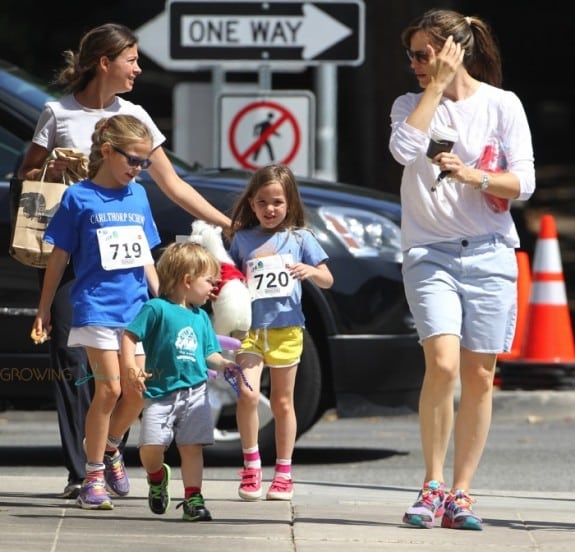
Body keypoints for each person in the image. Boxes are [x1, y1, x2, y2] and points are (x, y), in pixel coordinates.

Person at [17, 22, 231, 499]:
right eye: (131, 60)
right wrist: (51, 167)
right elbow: (26, 174)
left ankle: (110, 449)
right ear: (104, 62)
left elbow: (174, 186)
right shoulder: (57, 113)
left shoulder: (134, 118)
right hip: (72, 252)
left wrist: (227, 224)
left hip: (126, 262)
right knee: (79, 370)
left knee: (130, 381)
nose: (138, 69)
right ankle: (83, 471)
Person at [388, 9, 535, 530]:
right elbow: (404, 150)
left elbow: (524, 183)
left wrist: (475, 176)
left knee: (479, 375)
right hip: (431, 253)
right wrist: (435, 90)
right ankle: (431, 485)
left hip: (491, 252)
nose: (415, 65)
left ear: (455, 50)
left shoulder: (503, 105)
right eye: (412, 56)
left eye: (424, 55)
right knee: (444, 364)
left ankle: (462, 493)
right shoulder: (411, 104)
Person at [31, 114, 162, 510]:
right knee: (110, 389)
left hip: (135, 309)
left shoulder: (138, 196)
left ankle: (109, 447)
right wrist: (44, 309)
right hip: (95, 307)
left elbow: (146, 258)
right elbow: (58, 258)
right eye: (133, 160)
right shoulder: (79, 197)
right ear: (107, 152)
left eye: (144, 163)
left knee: (137, 391)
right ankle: (92, 477)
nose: (138, 169)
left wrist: (166, 302)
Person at [228, 164, 334, 501]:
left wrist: (311, 271)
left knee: (282, 401)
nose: (270, 209)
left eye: (277, 202)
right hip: (250, 330)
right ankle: (251, 465)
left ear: (290, 203)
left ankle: (284, 471)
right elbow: (229, 278)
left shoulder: (301, 238)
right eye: (262, 202)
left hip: (287, 329)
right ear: (252, 203)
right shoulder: (242, 239)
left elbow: (328, 278)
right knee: (246, 395)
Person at [121, 241, 238, 521]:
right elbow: (129, 336)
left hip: (195, 393)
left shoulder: (201, 317)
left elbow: (210, 352)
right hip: (160, 394)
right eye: (210, 281)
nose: (214, 287)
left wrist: (224, 364)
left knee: (192, 447)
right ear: (187, 280)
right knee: (150, 450)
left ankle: (193, 499)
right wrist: (129, 366)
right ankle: (157, 476)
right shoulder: (156, 309)